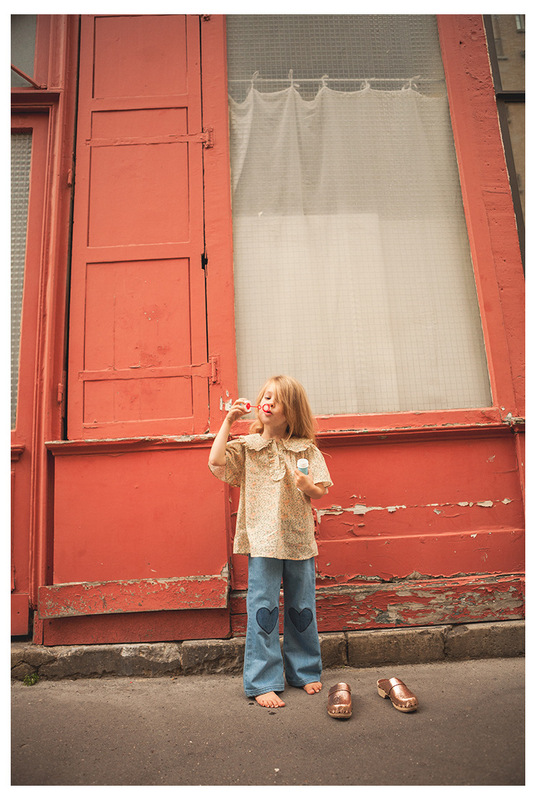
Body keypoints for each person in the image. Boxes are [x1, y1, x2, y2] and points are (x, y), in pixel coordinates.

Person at [208, 375, 332, 708]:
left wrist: (308, 486)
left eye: (277, 399)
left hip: (298, 539)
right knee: (262, 607)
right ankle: (262, 680)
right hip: (262, 540)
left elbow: (321, 489)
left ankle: (304, 671)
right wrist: (228, 421)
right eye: (266, 396)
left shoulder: (305, 449)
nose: (268, 402)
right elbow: (216, 461)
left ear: (292, 411)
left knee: (301, 606)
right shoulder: (248, 449)